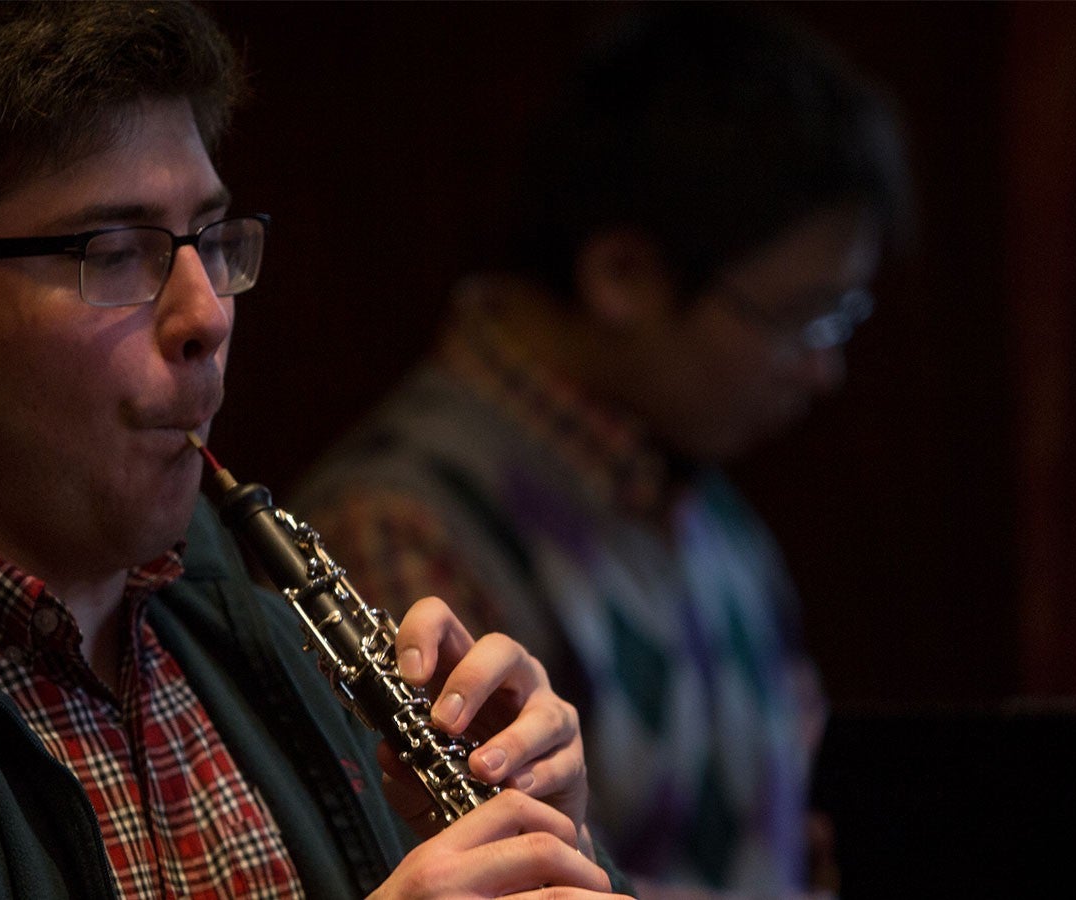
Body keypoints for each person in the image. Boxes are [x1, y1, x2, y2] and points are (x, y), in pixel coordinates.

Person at [0, 3, 631, 898]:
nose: (206, 315)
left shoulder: (265, 640)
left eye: (210, 238)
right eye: (117, 253)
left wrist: (555, 843)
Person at [291, 6, 908, 898]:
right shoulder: (404, 522)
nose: (825, 369)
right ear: (623, 274)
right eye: (800, 317)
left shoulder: (704, 503)